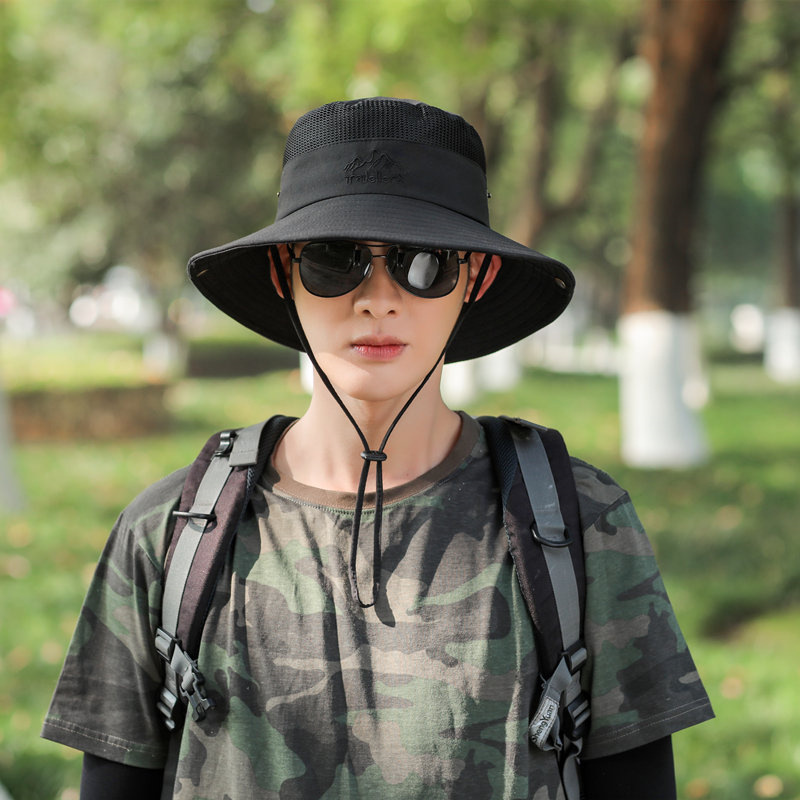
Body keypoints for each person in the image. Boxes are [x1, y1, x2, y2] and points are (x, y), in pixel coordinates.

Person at [42, 97, 713, 800]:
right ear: (282, 273)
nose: (378, 299)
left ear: (477, 278)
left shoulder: (582, 525)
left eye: (425, 263)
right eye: (335, 260)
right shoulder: (168, 536)